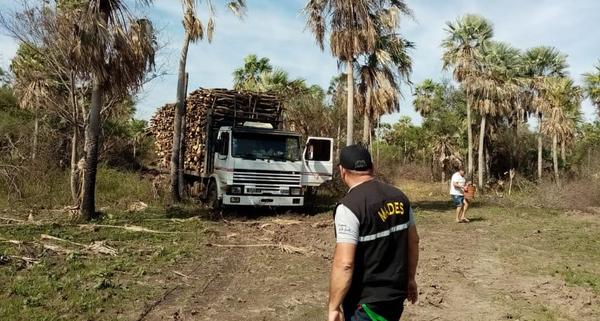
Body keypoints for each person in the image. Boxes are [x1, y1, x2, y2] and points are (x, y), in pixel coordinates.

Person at [329, 145, 420, 321]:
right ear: (372, 167)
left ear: (342, 171)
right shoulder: (399, 197)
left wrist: (334, 306)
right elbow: (414, 241)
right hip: (395, 297)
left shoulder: (349, 207)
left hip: (365, 305)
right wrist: (410, 279)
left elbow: (345, 263)